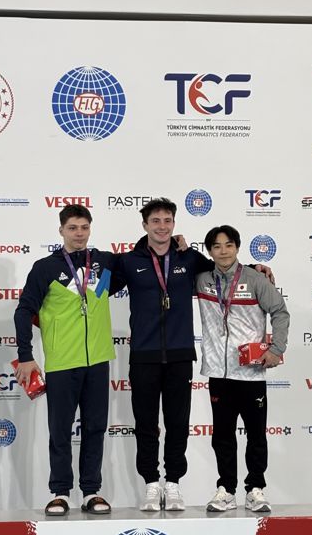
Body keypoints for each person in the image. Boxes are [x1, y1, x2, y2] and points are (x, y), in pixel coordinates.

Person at [117, 198, 274, 512]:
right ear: (145, 225)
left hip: (179, 356)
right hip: (143, 356)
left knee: (178, 423)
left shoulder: (189, 259)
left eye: (167, 220)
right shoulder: (128, 262)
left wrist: (256, 269)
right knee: (145, 424)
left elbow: (225, 267)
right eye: (155, 221)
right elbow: (97, 288)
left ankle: (173, 483)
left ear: (174, 224)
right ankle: (151, 484)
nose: (162, 226)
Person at [14, 205, 123, 516]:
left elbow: (144, 257)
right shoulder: (45, 268)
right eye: (73, 228)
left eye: (84, 227)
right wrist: (25, 356)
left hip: (98, 360)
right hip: (62, 362)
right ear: (61, 230)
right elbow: (24, 311)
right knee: (60, 430)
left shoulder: (104, 263)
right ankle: (60, 492)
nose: (79, 233)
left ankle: (91, 491)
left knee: (95, 428)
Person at [196, 225, 289, 513]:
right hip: (218, 372)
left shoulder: (255, 278)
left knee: (256, 434)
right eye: (216, 246)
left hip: (250, 373)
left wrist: (277, 349)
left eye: (228, 245)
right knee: (222, 435)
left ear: (237, 247)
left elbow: (280, 311)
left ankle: (255, 489)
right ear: (209, 251)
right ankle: (226, 489)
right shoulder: (201, 279)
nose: (223, 251)